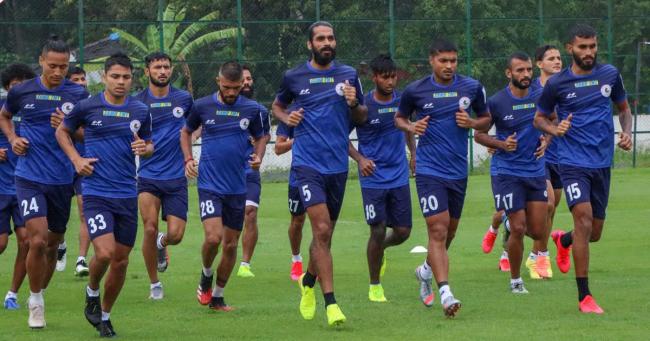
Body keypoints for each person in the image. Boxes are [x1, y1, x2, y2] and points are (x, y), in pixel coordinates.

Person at [272, 21, 366, 326]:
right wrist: (288, 117)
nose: (327, 43)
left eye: (331, 38)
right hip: (307, 165)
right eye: (320, 39)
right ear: (310, 45)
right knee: (322, 230)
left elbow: (362, 115)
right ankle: (332, 304)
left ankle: (308, 282)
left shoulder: (349, 75)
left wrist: (353, 103)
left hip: (337, 166)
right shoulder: (294, 76)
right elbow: (277, 106)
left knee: (325, 235)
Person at [534, 24, 632, 314]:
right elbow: (539, 119)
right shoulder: (556, 84)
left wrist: (625, 132)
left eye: (592, 46)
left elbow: (624, 109)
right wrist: (555, 128)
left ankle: (563, 241)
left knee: (594, 232)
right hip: (572, 161)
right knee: (584, 219)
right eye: (582, 47)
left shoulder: (610, 75)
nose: (588, 52)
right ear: (570, 48)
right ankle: (585, 297)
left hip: (602, 162)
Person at [56, 52, 153, 336]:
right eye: (115, 76)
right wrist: (76, 160)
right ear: (104, 78)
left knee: (121, 260)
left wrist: (144, 149)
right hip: (96, 192)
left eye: (125, 77)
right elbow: (62, 131)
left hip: (126, 193)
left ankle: (106, 315)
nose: (120, 82)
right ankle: (92, 288)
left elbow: (149, 145)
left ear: (132, 78)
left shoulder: (140, 110)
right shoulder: (87, 107)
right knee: (106, 252)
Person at [394, 38, 490, 317]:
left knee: (449, 232)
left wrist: (472, 123)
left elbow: (486, 118)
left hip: (458, 172)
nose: (449, 66)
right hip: (429, 171)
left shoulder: (471, 87)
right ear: (431, 61)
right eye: (443, 61)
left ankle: (424, 271)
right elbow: (399, 119)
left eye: (453, 61)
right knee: (437, 230)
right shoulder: (416, 90)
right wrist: (412, 125)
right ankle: (446, 293)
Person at [0, 36, 88, 329]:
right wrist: (13, 139)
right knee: (35, 240)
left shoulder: (78, 94)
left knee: (52, 245)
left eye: (63, 66)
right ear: (41, 62)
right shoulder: (22, 91)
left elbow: (89, 134)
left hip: (62, 179)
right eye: (52, 66)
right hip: (28, 177)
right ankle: (35, 301)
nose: (58, 72)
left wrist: (68, 130)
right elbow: (5, 116)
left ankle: (39, 290)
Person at [181, 61, 267, 312]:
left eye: (236, 87)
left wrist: (259, 155)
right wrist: (188, 159)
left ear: (243, 84)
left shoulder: (253, 109)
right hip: (209, 184)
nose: (232, 92)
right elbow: (185, 132)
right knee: (214, 237)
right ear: (218, 81)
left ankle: (217, 296)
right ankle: (206, 273)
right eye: (227, 87)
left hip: (237, 186)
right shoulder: (202, 106)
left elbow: (262, 136)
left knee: (230, 245)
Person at [475, 52, 548, 294]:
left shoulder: (541, 96)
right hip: (506, 171)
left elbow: (552, 121)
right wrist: (501, 144)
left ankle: (505, 219)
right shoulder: (496, 102)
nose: (526, 74)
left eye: (528, 70)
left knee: (537, 230)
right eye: (520, 70)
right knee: (519, 228)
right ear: (509, 73)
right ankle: (516, 281)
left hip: (535, 170)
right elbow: (480, 135)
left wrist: (546, 140)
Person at [348, 54, 415, 302]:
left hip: (398, 176)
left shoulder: (402, 102)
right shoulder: (362, 106)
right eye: (385, 77)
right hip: (373, 177)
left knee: (403, 231)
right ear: (375, 77)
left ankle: (381, 250)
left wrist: (413, 155)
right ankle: (375, 285)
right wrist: (360, 159)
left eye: (393, 77)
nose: (390, 82)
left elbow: (408, 127)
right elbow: (341, 137)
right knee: (376, 230)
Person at [134, 52, 193, 300]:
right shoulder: (136, 103)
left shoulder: (184, 99)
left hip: (176, 177)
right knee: (148, 228)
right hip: (147, 176)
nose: (162, 71)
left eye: (166, 67)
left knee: (176, 236)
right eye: (157, 67)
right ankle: (154, 284)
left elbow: (195, 125)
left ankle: (163, 243)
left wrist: (190, 148)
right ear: (147, 71)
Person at [0, 63, 36, 310]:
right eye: (15, 85)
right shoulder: (3, 111)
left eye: (24, 84)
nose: (20, 89)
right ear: (7, 88)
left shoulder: (36, 110)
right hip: (1, 188)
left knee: (27, 241)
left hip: (26, 186)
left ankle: (12, 294)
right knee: (1, 244)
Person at [56, 65, 91, 277]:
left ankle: (81, 259)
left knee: (84, 211)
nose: (80, 84)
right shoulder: (57, 102)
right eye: (75, 80)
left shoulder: (88, 105)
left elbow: (89, 134)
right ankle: (60, 245)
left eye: (83, 79)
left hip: (82, 165)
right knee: (58, 219)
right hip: (58, 167)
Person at [236, 64, 271, 278]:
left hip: (250, 171)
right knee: (226, 222)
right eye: (243, 79)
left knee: (250, 214)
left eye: (249, 79)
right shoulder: (219, 109)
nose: (247, 83)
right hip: (225, 173)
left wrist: (259, 154)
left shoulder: (260, 111)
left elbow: (264, 137)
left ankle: (245, 264)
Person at [274, 118, 307, 281]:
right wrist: (299, 139)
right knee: (298, 220)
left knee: (322, 222)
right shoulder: (291, 114)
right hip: (299, 175)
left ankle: (319, 262)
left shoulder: (328, 105)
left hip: (326, 172)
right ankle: (296, 259)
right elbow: (278, 148)